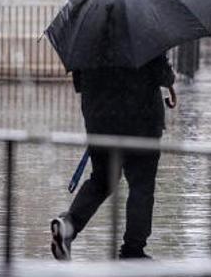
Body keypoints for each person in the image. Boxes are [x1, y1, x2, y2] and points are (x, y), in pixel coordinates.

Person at [51, 54, 175, 260]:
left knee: (102, 180)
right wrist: (169, 76)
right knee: (141, 186)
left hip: (101, 121)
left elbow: (79, 83)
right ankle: (133, 249)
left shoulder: (88, 37)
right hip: (141, 123)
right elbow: (163, 76)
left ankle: (68, 226)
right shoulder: (144, 32)